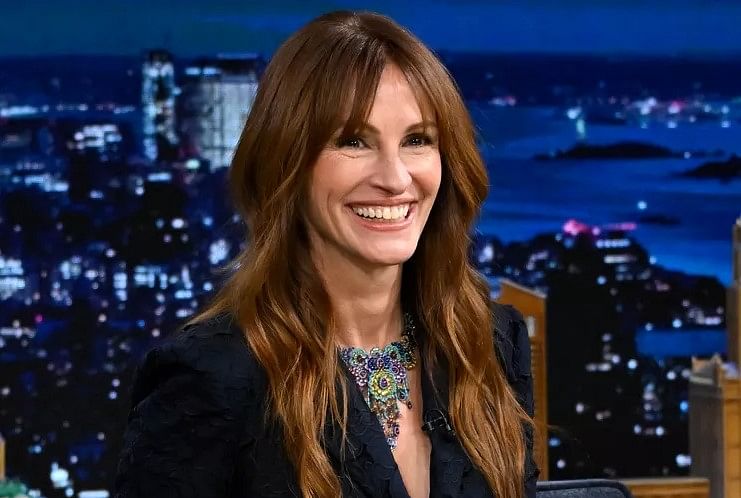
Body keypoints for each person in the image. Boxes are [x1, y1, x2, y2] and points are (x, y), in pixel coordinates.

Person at [114, 10, 539, 498]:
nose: (395, 178)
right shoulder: (211, 375)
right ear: (287, 163)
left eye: (417, 140)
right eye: (353, 141)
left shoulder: (488, 344)